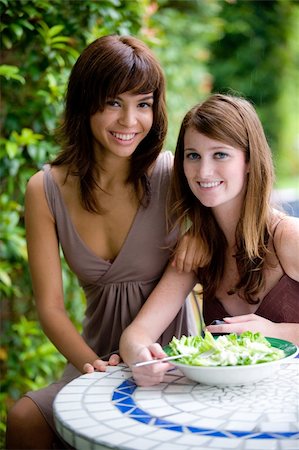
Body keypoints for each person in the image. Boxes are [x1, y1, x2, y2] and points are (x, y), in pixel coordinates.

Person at [5, 35, 198, 449]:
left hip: (171, 358)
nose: (130, 121)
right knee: (24, 418)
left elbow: (238, 211)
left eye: (142, 104)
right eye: (113, 102)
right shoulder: (45, 189)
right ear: (84, 102)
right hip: (96, 359)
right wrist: (94, 367)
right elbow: (50, 308)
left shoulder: (172, 173)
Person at [119, 93, 299, 387]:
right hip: (225, 407)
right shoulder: (198, 248)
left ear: (250, 161)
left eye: (220, 154)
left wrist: (278, 332)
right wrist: (142, 357)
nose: (203, 172)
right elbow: (136, 334)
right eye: (193, 155)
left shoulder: (288, 237)